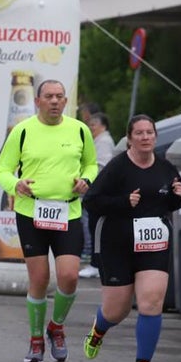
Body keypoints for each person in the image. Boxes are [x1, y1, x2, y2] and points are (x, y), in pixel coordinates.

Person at [0, 80, 97, 362]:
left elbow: (91, 164)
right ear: (37, 101)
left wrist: (86, 180)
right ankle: (36, 339)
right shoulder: (22, 130)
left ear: (66, 101)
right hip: (32, 213)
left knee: (70, 276)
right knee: (39, 279)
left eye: (59, 97)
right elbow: (2, 169)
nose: (54, 101)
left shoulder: (80, 130)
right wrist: (16, 184)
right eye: (49, 96)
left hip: (68, 212)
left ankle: (56, 327)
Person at [82, 115, 181, 362]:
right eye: (139, 133)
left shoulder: (165, 168)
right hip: (117, 245)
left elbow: (171, 202)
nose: (145, 137)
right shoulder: (118, 168)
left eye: (149, 132)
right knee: (116, 310)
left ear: (155, 136)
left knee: (151, 302)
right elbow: (91, 201)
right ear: (129, 138)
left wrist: (180, 196)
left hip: (153, 245)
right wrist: (123, 202)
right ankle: (99, 329)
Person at [80, 112, 116, 278]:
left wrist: (86, 178)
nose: (91, 127)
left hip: (98, 191)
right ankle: (95, 263)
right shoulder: (97, 140)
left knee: (95, 227)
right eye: (90, 124)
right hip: (94, 191)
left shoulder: (104, 142)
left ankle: (96, 264)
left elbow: (101, 166)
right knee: (91, 226)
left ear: (104, 126)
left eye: (94, 124)